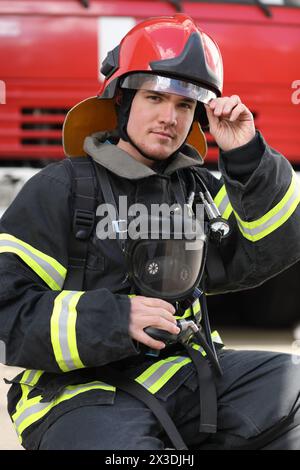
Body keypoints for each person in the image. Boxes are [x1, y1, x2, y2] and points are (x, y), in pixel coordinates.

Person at [0, 14, 300, 451]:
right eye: (155, 98)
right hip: (78, 394)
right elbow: (9, 310)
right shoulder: (60, 189)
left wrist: (247, 157)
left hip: (184, 376)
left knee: (291, 387)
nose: (169, 118)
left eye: (183, 105)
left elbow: (267, 252)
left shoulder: (195, 189)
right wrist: (115, 319)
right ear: (122, 102)